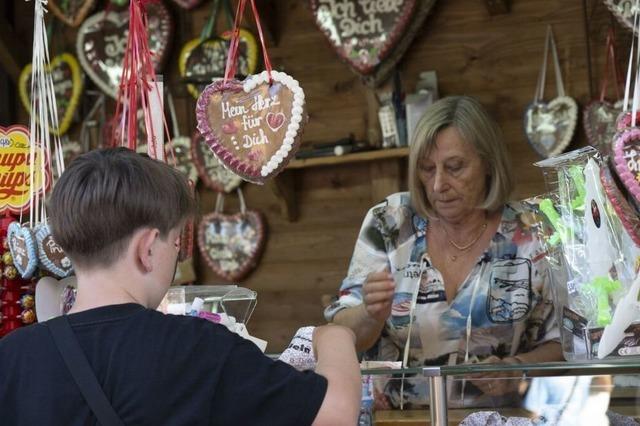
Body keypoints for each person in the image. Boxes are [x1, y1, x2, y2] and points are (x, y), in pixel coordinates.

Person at [0, 148, 361, 425]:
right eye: (175, 243)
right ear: (147, 248)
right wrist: (335, 338)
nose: (177, 255)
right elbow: (335, 414)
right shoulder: (196, 347)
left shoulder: (12, 358)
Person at [325, 96, 563, 408]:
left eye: (455, 167)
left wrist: (516, 368)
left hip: (498, 418)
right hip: (398, 421)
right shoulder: (390, 222)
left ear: (489, 163)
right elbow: (340, 334)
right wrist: (369, 314)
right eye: (426, 169)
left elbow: (564, 343)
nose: (438, 185)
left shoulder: (533, 230)